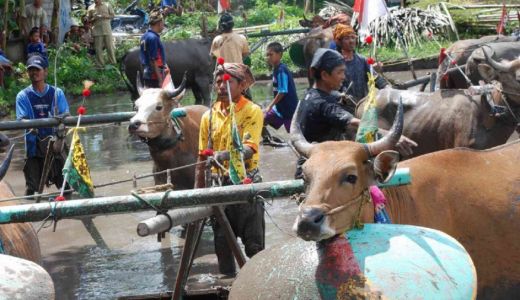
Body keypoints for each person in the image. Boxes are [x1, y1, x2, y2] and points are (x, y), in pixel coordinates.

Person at [293, 48, 416, 177]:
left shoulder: (310, 95)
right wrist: (390, 136)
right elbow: (353, 123)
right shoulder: (323, 103)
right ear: (324, 75)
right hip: (317, 171)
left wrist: (339, 95)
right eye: (339, 72)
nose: (343, 77)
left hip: (314, 162)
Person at [195, 63, 264, 277]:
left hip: (246, 184)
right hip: (219, 187)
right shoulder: (209, 116)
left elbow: (249, 149)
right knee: (223, 248)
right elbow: (202, 156)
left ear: (242, 85)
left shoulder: (252, 111)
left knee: (254, 248)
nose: (222, 87)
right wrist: (197, 192)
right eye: (218, 82)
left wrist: (224, 155)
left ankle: (257, 287)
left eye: (228, 82)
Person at [15, 55, 70, 196]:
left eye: (37, 69)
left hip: (56, 144)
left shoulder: (57, 93)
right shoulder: (22, 96)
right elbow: (21, 119)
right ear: (28, 73)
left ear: (45, 71)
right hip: (34, 145)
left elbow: (66, 115)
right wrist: (32, 126)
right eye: (31, 70)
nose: (34, 73)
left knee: (66, 186)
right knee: (31, 190)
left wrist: (62, 123)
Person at [333, 24, 387, 113]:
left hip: (364, 105)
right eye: (346, 38)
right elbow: (330, 87)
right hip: (344, 108)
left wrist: (387, 87)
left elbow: (375, 78)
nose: (351, 41)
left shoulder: (362, 60)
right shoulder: (335, 62)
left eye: (352, 37)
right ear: (339, 42)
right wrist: (339, 95)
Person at [263, 42, 298, 141]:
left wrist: (269, 106)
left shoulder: (281, 70)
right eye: (267, 55)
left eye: (271, 54)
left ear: (279, 54)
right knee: (260, 120)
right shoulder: (276, 69)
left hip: (289, 109)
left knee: (294, 136)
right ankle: (268, 139)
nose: (268, 57)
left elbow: (282, 91)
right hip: (279, 108)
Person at [139, 10, 166, 88]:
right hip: (154, 76)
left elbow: (143, 58)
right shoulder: (153, 38)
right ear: (159, 23)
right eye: (163, 23)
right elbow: (153, 60)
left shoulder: (144, 36)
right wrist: (160, 80)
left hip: (147, 74)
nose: (163, 25)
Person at [87, 0, 116, 67]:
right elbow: (88, 20)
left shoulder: (107, 5)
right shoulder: (90, 7)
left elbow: (112, 16)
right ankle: (100, 65)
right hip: (97, 31)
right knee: (98, 48)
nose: (96, 0)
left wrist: (104, 16)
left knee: (110, 47)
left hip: (107, 29)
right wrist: (94, 18)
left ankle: (113, 64)